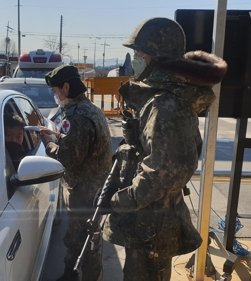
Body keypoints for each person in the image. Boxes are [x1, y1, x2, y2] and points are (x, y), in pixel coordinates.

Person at [98, 17, 228, 281]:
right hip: (149, 220)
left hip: (152, 224)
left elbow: (164, 172)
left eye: (137, 54)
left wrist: (119, 201)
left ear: (153, 58)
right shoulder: (161, 99)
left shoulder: (164, 105)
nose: (133, 59)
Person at [39, 65, 112, 281]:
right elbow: (81, 144)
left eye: (55, 91)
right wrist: (59, 136)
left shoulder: (77, 117)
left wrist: (48, 143)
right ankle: (70, 275)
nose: (55, 96)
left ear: (66, 87)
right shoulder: (89, 110)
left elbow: (67, 160)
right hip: (92, 189)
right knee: (80, 240)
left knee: (85, 245)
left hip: (84, 193)